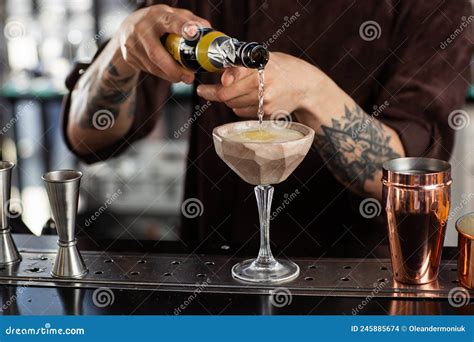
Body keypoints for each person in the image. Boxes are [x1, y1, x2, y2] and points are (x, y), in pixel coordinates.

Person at [62, 1, 472, 256]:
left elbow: (405, 176)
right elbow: (89, 139)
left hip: (354, 281)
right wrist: (121, 51)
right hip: (214, 266)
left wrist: (312, 93)